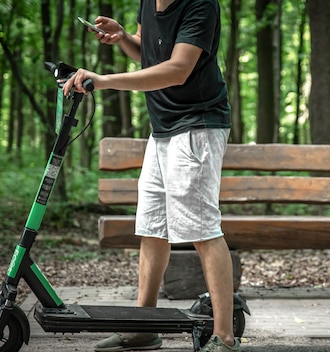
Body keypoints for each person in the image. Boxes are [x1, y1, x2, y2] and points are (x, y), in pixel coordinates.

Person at [62, 1, 240, 351]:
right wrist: (125, 38)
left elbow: (177, 69)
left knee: (202, 228)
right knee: (152, 225)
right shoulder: (148, 1)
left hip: (198, 125)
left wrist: (105, 80)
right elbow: (148, 51)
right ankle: (143, 327)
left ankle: (224, 338)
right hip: (162, 130)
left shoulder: (200, 4)